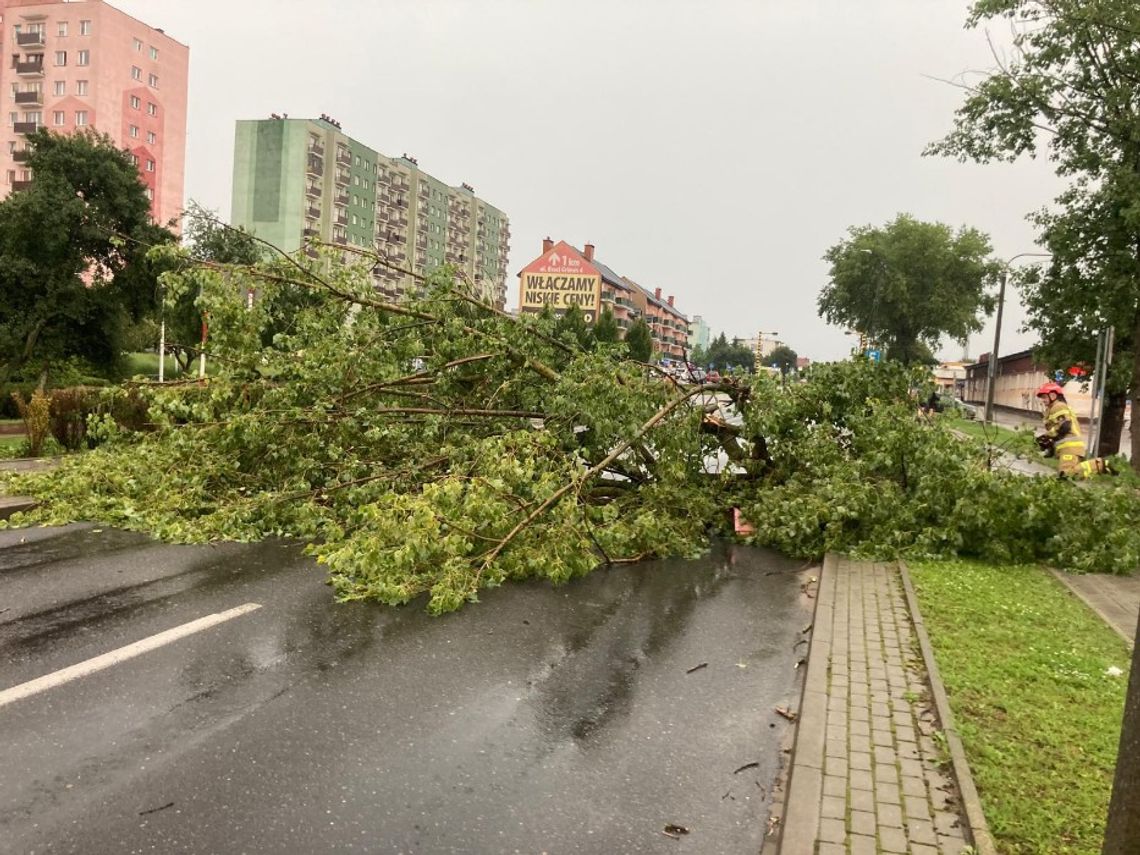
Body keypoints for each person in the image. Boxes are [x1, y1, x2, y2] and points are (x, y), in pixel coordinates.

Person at [1035, 381, 1113, 478]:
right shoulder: (1051, 409)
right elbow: (1057, 430)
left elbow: (1064, 426)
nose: (1043, 400)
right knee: (1070, 476)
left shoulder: (1058, 406)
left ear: (1053, 395)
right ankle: (1099, 465)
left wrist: (1047, 437)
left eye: (1044, 397)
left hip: (1070, 447)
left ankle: (1100, 464)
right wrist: (1049, 446)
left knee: (1065, 475)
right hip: (1066, 448)